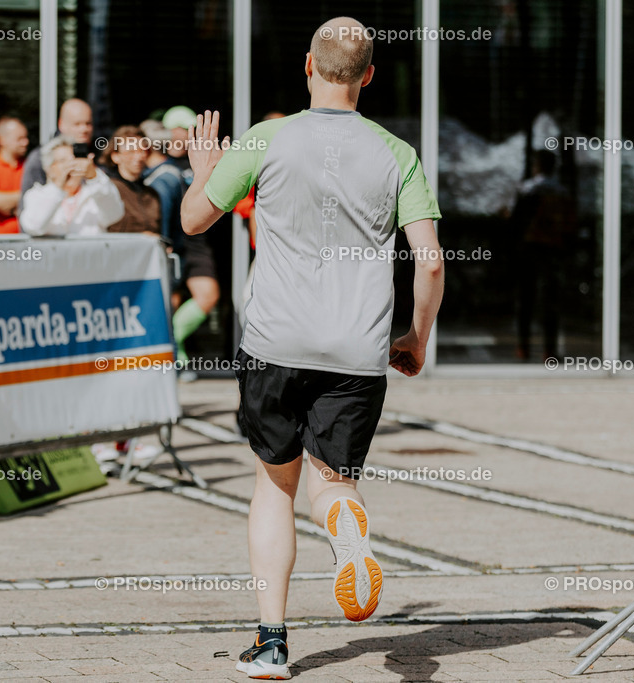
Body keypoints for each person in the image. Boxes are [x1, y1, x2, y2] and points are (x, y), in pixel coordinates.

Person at [180, 17, 444, 679]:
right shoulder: (397, 153)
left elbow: (192, 221)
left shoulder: (268, 138)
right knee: (334, 484)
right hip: (356, 347)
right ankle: (346, 527)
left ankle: (271, 644)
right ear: (371, 75)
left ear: (307, 65)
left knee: (275, 484)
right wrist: (416, 336)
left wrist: (206, 169)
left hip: (275, 341)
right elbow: (432, 262)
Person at [140, 119, 219, 370]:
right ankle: (173, 353)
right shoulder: (161, 174)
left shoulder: (169, 174)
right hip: (176, 244)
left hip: (190, 243)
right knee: (170, 301)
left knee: (204, 296)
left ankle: (172, 346)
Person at [510, 149, 575, 361]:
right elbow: (570, 226)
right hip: (553, 251)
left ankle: (524, 348)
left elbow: (516, 223)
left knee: (526, 300)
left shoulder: (528, 190)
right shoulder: (562, 192)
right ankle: (550, 351)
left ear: (536, 166)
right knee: (551, 302)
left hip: (529, 249)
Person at [19, 136, 123, 236]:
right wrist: (58, 186)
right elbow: (34, 227)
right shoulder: (36, 195)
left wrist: (94, 176)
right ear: (49, 169)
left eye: (73, 159)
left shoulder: (94, 193)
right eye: (62, 161)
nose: (70, 165)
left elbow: (114, 215)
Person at [20, 99, 94, 199]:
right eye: (77, 124)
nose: (84, 129)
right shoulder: (40, 157)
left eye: (88, 123)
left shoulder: (97, 153)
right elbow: (28, 206)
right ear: (61, 124)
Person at [102, 126, 161, 235]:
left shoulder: (152, 195)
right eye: (131, 152)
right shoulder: (108, 190)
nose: (138, 157)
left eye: (143, 151)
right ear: (115, 156)